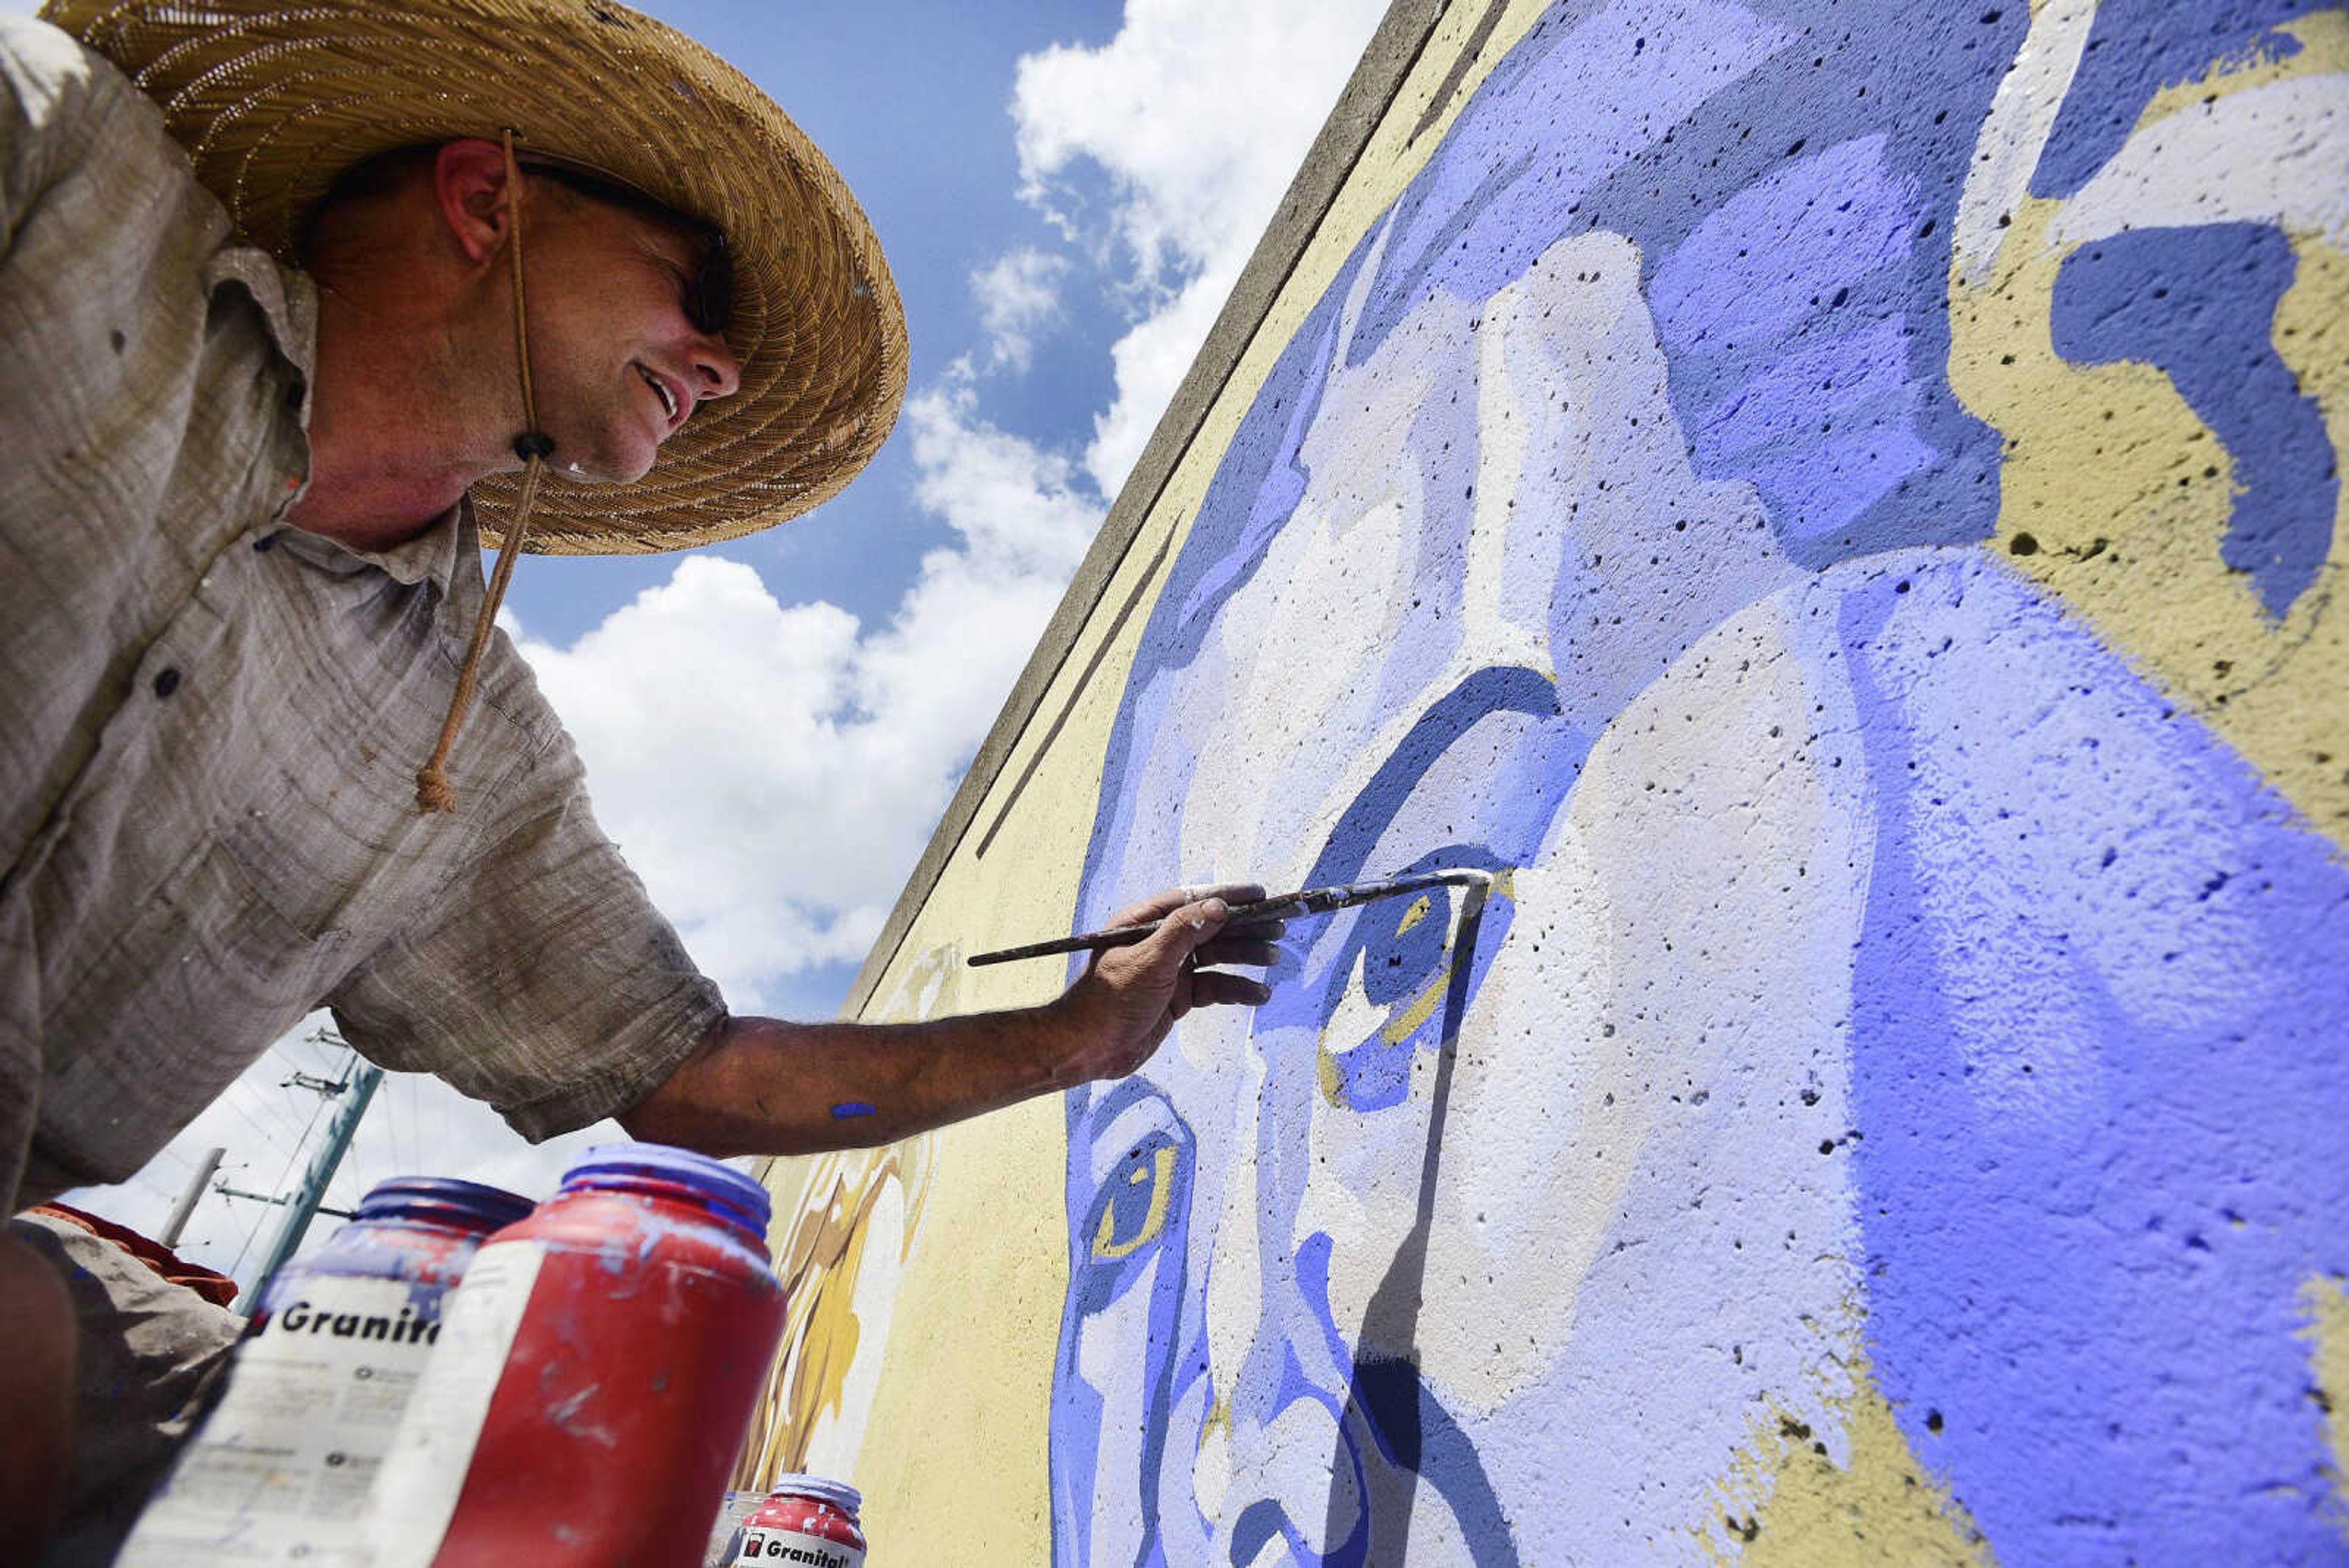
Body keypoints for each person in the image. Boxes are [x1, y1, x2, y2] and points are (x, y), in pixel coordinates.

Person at [0, 2, 1276, 1561]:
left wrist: (1087, 1033)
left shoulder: (464, 742)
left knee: (439, 1462)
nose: (727, 365)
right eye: (697, 290)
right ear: (486, 203)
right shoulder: (52, 180)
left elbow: (694, 1071)